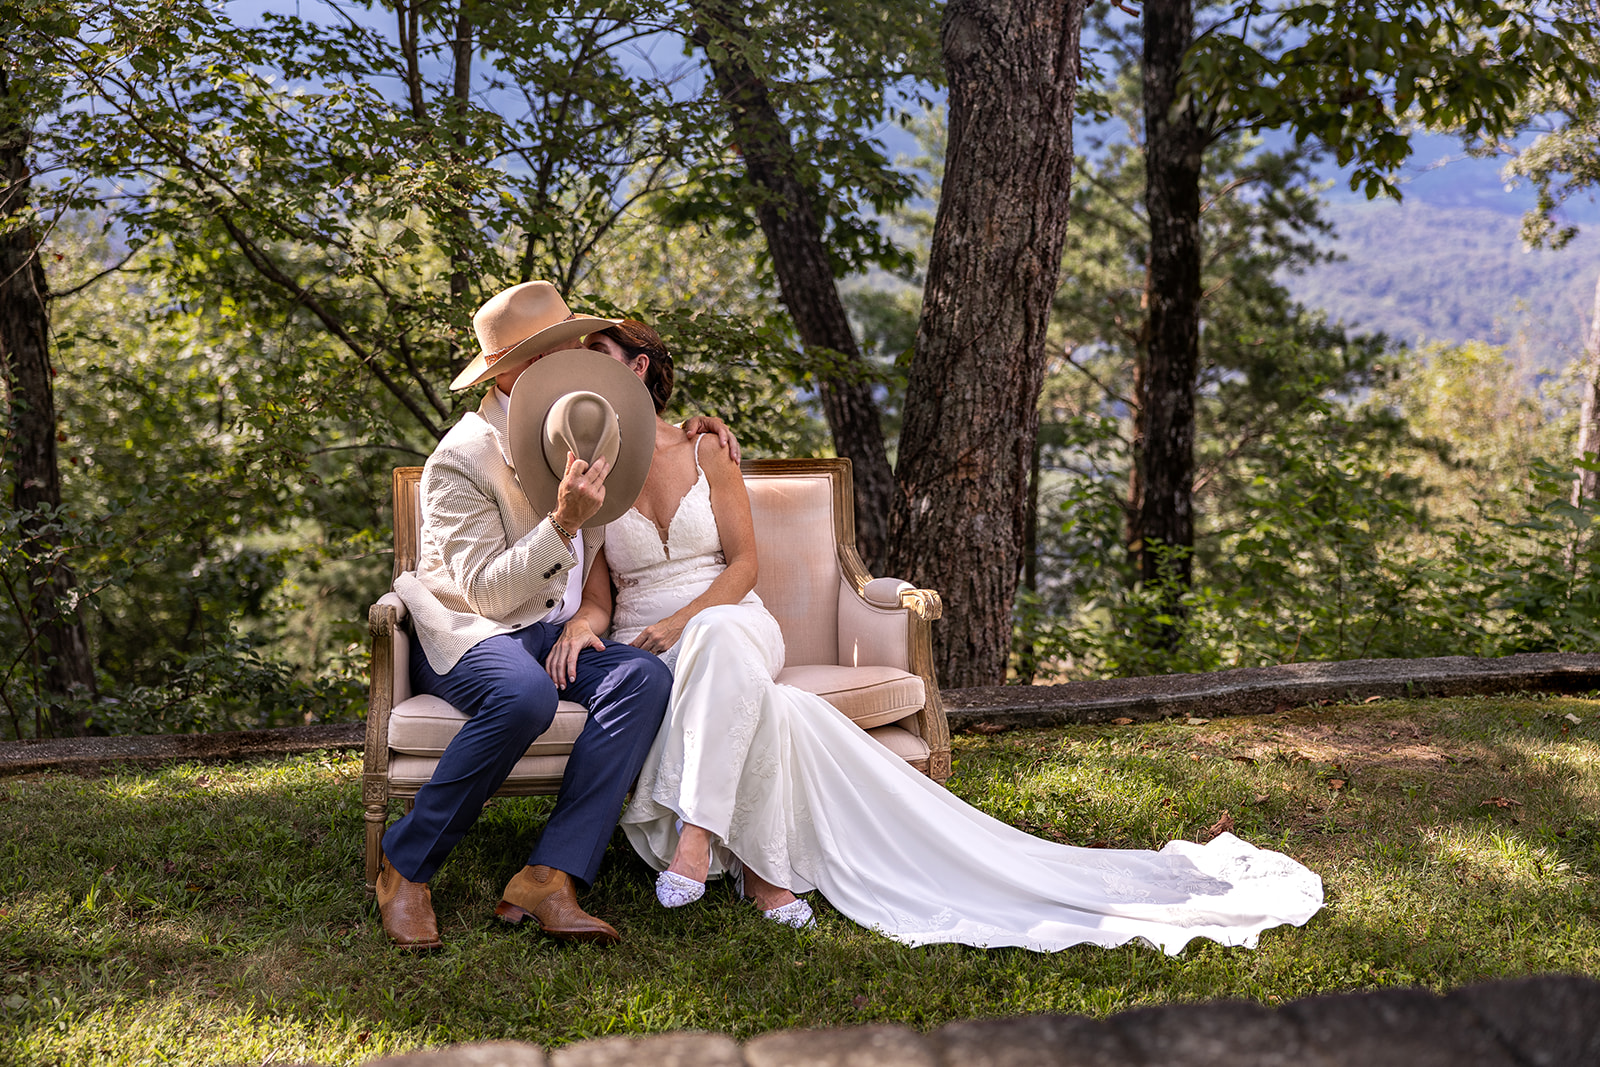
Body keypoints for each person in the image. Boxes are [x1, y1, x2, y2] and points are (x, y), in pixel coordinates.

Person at [572, 319, 1326, 954]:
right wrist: (583, 621)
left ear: (638, 368)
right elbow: (600, 595)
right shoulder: (590, 470)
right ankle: (763, 870)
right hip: (651, 649)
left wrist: (684, 618)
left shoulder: (708, 449)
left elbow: (744, 566)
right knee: (774, 709)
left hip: (729, 618)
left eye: (600, 366)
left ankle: (698, 834)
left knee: (720, 639)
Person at [375, 282, 731, 951]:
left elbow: (656, 450)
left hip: (553, 631)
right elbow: (482, 593)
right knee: (524, 693)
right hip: (471, 631)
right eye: (560, 345)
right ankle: (406, 863)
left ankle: (550, 874)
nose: (577, 354)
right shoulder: (462, 456)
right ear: (516, 368)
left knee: (643, 679)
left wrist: (699, 428)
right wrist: (562, 519)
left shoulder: (582, 420)